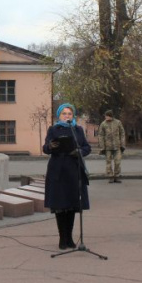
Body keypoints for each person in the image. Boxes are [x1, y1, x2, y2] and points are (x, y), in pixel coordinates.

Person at [43, 103, 91, 250]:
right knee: (60, 206)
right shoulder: (53, 129)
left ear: (73, 116)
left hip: (74, 171)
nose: (67, 116)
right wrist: (51, 146)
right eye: (64, 114)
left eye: (69, 114)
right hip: (57, 171)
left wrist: (79, 151)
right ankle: (62, 239)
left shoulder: (78, 129)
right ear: (59, 115)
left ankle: (70, 239)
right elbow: (45, 148)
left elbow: (86, 147)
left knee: (71, 206)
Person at [98, 110, 126, 183]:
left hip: (117, 146)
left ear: (111, 116)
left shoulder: (118, 122)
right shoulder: (103, 124)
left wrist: (122, 144)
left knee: (117, 162)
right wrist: (102, 146)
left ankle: (116, 176)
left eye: (107, 116)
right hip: (108, 147)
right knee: (108, 162)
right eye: (105, 116)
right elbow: (100, 135)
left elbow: (122, 133)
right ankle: (110, 176)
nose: (106, 117)